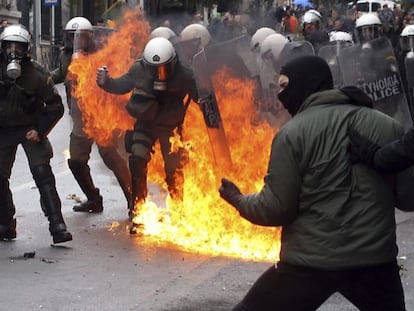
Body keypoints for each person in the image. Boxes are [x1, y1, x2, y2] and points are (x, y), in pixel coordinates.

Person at [219, 55, 413, 310]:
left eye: (285, 86)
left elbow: (276, 208)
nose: (280, 95)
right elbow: (409, 199)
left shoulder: (292, 134)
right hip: (375, 262)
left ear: (305, 83)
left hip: (309, 264)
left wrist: (238, 199)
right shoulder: (387, 125)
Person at [96, 37, 198, 220]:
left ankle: (178, 210)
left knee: (173, 169)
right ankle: (138, 208)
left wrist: (208, 103)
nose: (159, 74)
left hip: (170, 126)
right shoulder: (139, 70)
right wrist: (106, 82)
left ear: (173, 63)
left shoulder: (184, 75)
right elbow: (121, 85)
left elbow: (201, 97)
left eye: (164, 68)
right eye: (154, 69)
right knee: (137, 160)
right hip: (146, 123)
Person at [0, 24, 72, 244]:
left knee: (42, 173)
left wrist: (39, 130)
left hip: (30, 128)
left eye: (19, 47)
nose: (14, 51)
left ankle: (57, 225)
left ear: (27, 49)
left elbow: (56, 106)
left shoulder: (37, 74)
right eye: (9, 46)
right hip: (3, 129)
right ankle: (6, 222)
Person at [52, 17, 132, 215]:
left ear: (90, 37)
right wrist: (42, 80)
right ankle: (94, 199)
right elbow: (61, 74)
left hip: (101, 116)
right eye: (72, 37)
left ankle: (134, 199)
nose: (76, 41)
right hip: (80, 119)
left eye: (81, 37)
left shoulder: (102, 55)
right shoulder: (67, 56)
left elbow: (114, 80)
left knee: (112, 158)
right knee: (76, 161)